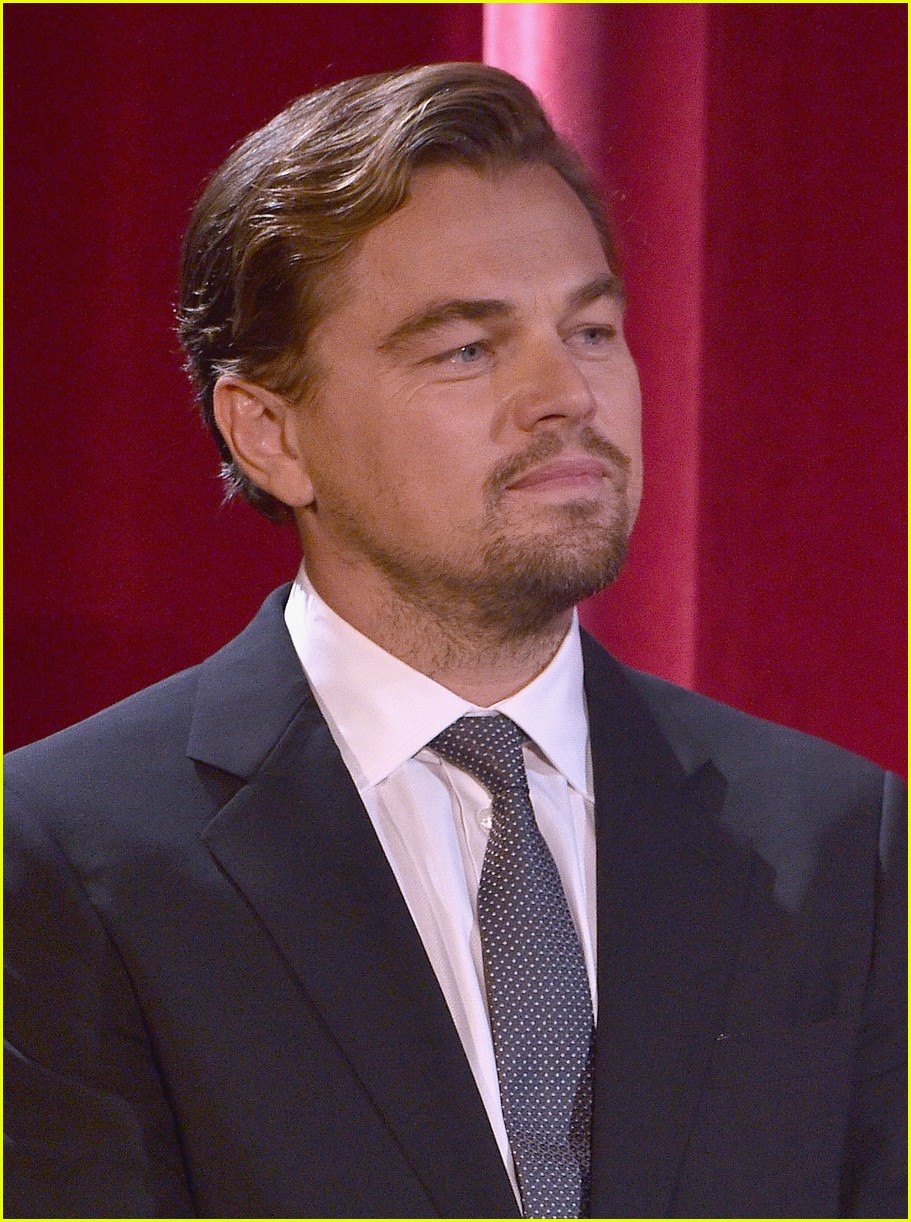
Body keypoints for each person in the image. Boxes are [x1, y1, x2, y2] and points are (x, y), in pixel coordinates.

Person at [4, 62, 905, 1220]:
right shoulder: (63, 853)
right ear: (271, 433)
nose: (565, 393)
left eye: (589, 329)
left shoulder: (839, 840)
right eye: (467, 349)